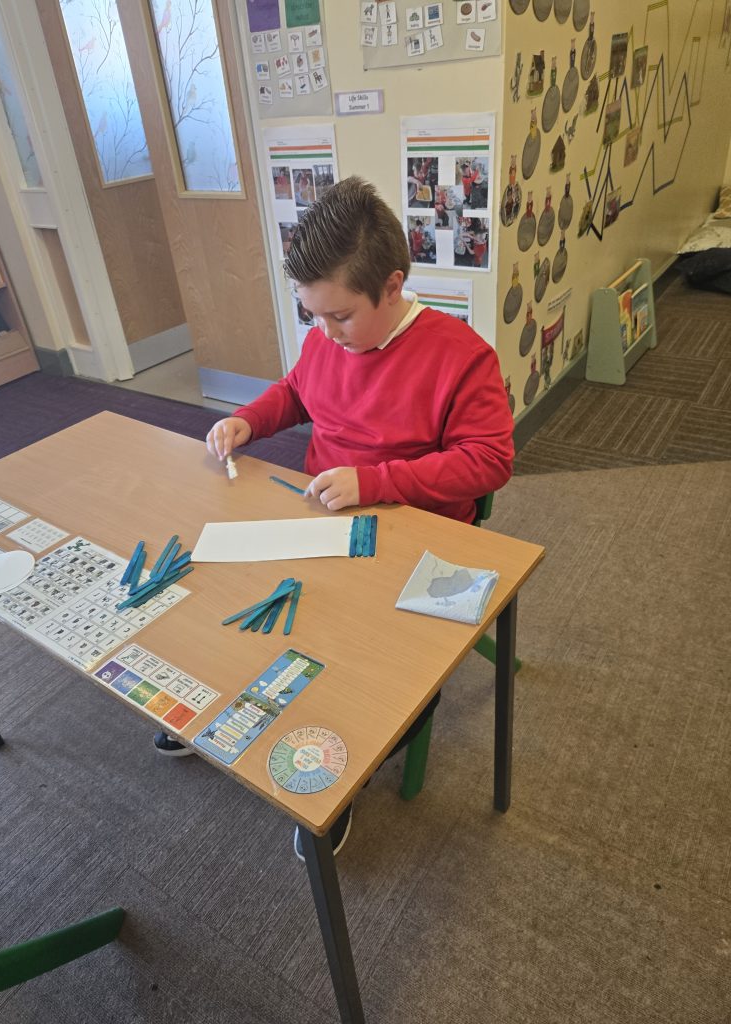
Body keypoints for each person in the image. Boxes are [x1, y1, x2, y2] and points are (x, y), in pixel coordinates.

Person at [154, 177, 514, 858]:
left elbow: (490, 461)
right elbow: (297, 391)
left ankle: (341, 774)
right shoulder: (329, 338)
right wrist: (247, 420)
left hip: (414, 535)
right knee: (232, 596)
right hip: (323, 516)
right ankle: (220, 709)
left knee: (370, 665)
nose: (323, 332)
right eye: (310, 314)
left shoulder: (460, 355)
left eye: (340, 316)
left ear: (393, 287)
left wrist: (375, 481)